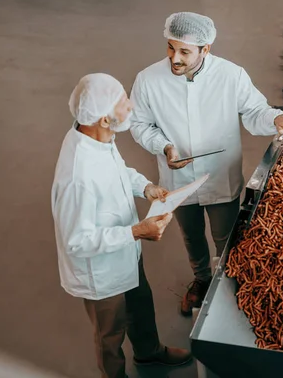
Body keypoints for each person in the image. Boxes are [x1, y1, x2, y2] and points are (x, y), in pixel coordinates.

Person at [129, 12, 283, 316]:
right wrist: (163, 146)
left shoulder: (231, 75)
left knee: (225, 236)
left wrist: (277, 118)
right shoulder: (148, 80)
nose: (174, 58)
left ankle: (229, 282)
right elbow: (139, 125)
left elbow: (255, 111)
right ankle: (202, 280)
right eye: (170, 48)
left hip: (220, 176)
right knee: (191, 236)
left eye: (184, 52)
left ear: (206, 50)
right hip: (178, 181)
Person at [51, 73, 192, 378]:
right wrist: (137, 231)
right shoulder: (78, 177)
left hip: (125, 251)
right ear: (104, 119)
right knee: (110, 334)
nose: (130, 108)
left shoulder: (97, 137)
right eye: (124, 104)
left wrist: (145, 188)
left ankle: (149, 353)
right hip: (101, 272)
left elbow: (118, 171)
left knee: (141, 305)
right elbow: (77, 239)